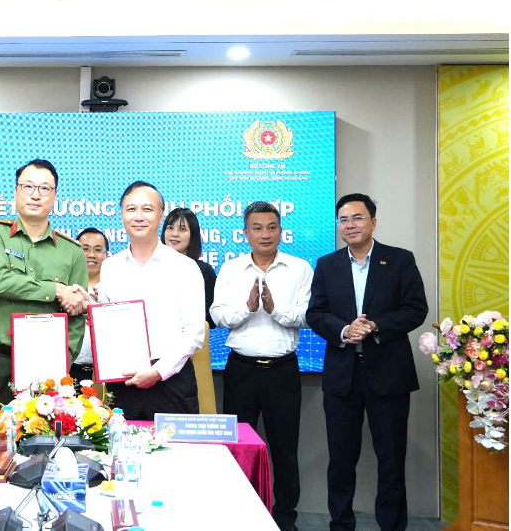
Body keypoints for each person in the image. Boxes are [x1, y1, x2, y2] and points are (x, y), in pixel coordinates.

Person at [307, 193, 427, 531]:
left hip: (388, 375)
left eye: (357, 218)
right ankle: (341, 524)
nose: (350, 225)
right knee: (340, 460)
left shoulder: (399, 260)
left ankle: (392, 525)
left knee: (391, 460)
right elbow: (316, 313)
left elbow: (416, 308)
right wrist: (345, 329)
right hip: (342, 377)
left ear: (373, 222)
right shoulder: (327, 264)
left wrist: (375, 326)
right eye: (343, 220)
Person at [210, 201, 313, 531]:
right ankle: (239, 516)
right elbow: (218, 315)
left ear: (281, 231)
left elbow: (308, 316)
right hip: (241, 370)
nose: (265, 234)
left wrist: (274, 308)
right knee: (238, 447)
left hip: (283, 371)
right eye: (257, 228)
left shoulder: (299, 268)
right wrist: (247, 307)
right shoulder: (231, 269)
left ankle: (285, 519)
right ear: (245, 233)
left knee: (285, 448)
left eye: (271, 227)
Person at [0, 159, 88, 415]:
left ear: (55, 195)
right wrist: (57, 290)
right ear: (16, 191)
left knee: (44, 437)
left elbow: (77, 313)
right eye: (28, 186)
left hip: (48, 365)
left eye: (44, 188)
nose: (36, 195)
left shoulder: (73, 251)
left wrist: (63, 360)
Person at [92, 181, 206, 420]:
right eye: (131, 209)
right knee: (120, 443)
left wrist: (158, 371)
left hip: (172, 382)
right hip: (123, 380)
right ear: (122, 214)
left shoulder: (185, 267)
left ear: (161, 215)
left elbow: (194, 332)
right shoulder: (111, 267)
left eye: (147, 209)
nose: (138, 216)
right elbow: (107, 329)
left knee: (176, 445)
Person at [162, 207, 217, 327]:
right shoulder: (153, 267)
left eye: (182, 229)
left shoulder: (204, 271)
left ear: (193, 235)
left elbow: (212, 318)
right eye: (170, 228)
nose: (174, 234)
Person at [69, 227, 108, 382]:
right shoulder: (64, 288)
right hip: (69, 370)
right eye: (85, 249)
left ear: (106, 255)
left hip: (105, 370)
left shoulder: (114, 289)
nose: (91, 255)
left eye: (97, 250)